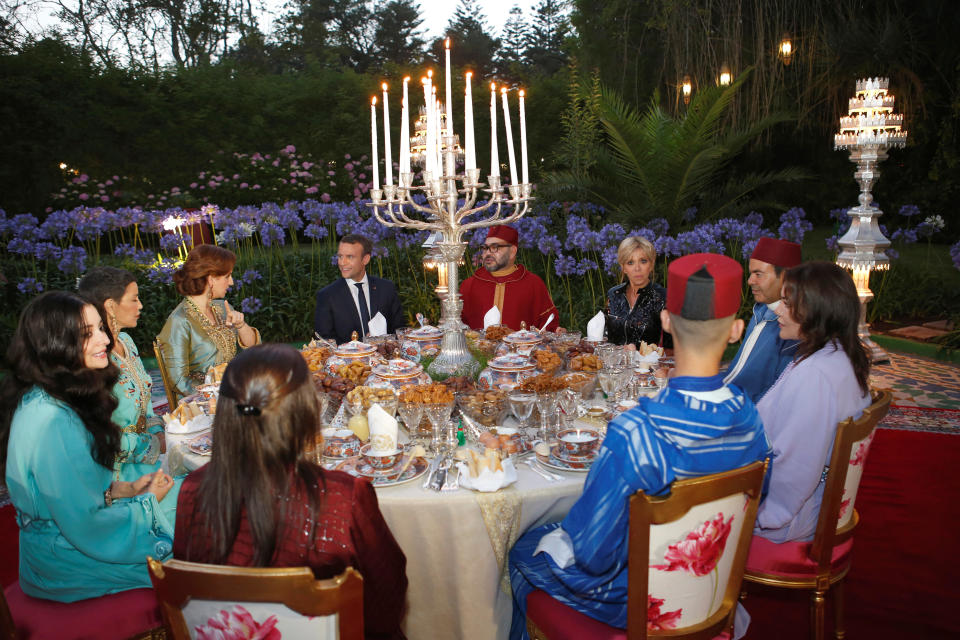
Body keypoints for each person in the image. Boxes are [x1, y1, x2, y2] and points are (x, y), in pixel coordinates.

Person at [508, 253, 772, 638]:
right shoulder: (751, 421)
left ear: (666, 320)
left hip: (630, 601)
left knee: (519, 549)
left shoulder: (636, 432)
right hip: (712, 593)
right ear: (735, 330)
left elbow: (593, 553)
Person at [173, 344, 408, 639]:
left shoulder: (192, 491)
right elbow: (387, 600)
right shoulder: (342, 499)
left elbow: (195, 595)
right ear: (305, 412)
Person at [1, 291, 175, 602]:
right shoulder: (54, 421)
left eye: (100, 329)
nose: (105, 340)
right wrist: (146, 504)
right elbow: (86, 525)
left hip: (65, 544)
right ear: (55, 345)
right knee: (199, 548)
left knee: (196, 500)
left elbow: (69, 492)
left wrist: (126, 489)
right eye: (87, 334)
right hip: (70, 560)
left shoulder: (50, 396)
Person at [754, 261, 871, 543]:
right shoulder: (837, 355)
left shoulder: (815, 376)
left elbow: (796, 468)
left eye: (786, 302)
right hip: (810, 505)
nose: (778, 310)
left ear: (816, 311)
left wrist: (760, 517)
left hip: (789, 519)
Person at [78, 266, 182, 524]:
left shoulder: (127, 342)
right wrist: (156, 444)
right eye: (134, 299)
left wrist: (161, 432)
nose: (141, 305)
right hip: (117, 473)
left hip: (148, 457)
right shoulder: (95, 360)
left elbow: (146, 409)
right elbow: (99, 438)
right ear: (110, 306)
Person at [158, 244, 261, 396]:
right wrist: (219, 393)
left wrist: (241, 325)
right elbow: (178, 381)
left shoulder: (222, 308)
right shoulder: (179, 321)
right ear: (211, 279)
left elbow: (253, 348)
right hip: (202, 406)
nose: (231, 282)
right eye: (227, 276)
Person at [723, 237, 802, 402]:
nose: (750, 281)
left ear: (786, 277)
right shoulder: (762, 309)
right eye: (751, 273)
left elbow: (775, 395)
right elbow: (739, 372)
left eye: (758, 274)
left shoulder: (792, 327)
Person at [460, 225, 560, 332]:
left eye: (495, 247)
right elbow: (457, 325)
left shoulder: (533, 284)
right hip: (477, 349)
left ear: (512, 251)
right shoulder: (469, 285)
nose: (487, 253)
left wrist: (556, 331)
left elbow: (548, 324)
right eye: (485, 248)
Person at [314, 233, 406, 344]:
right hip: (347, 360)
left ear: (365, 259)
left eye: (350, 257)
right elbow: (324, 341)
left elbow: (400, 330)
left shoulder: (386, 289)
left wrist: (383, 341)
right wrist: (358, 348)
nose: (342, 262)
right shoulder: (327, 296)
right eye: (340, 256)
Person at [605, 236, 672, 350]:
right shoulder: (614, 294)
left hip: (648, 366)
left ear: (651, 265)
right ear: (623, 268)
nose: (637, 268)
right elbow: (605, 337)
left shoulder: (663, 297)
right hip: (614, 365)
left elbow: (672, 349)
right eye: (630, 262)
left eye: (643, 261)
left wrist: (637, 353)